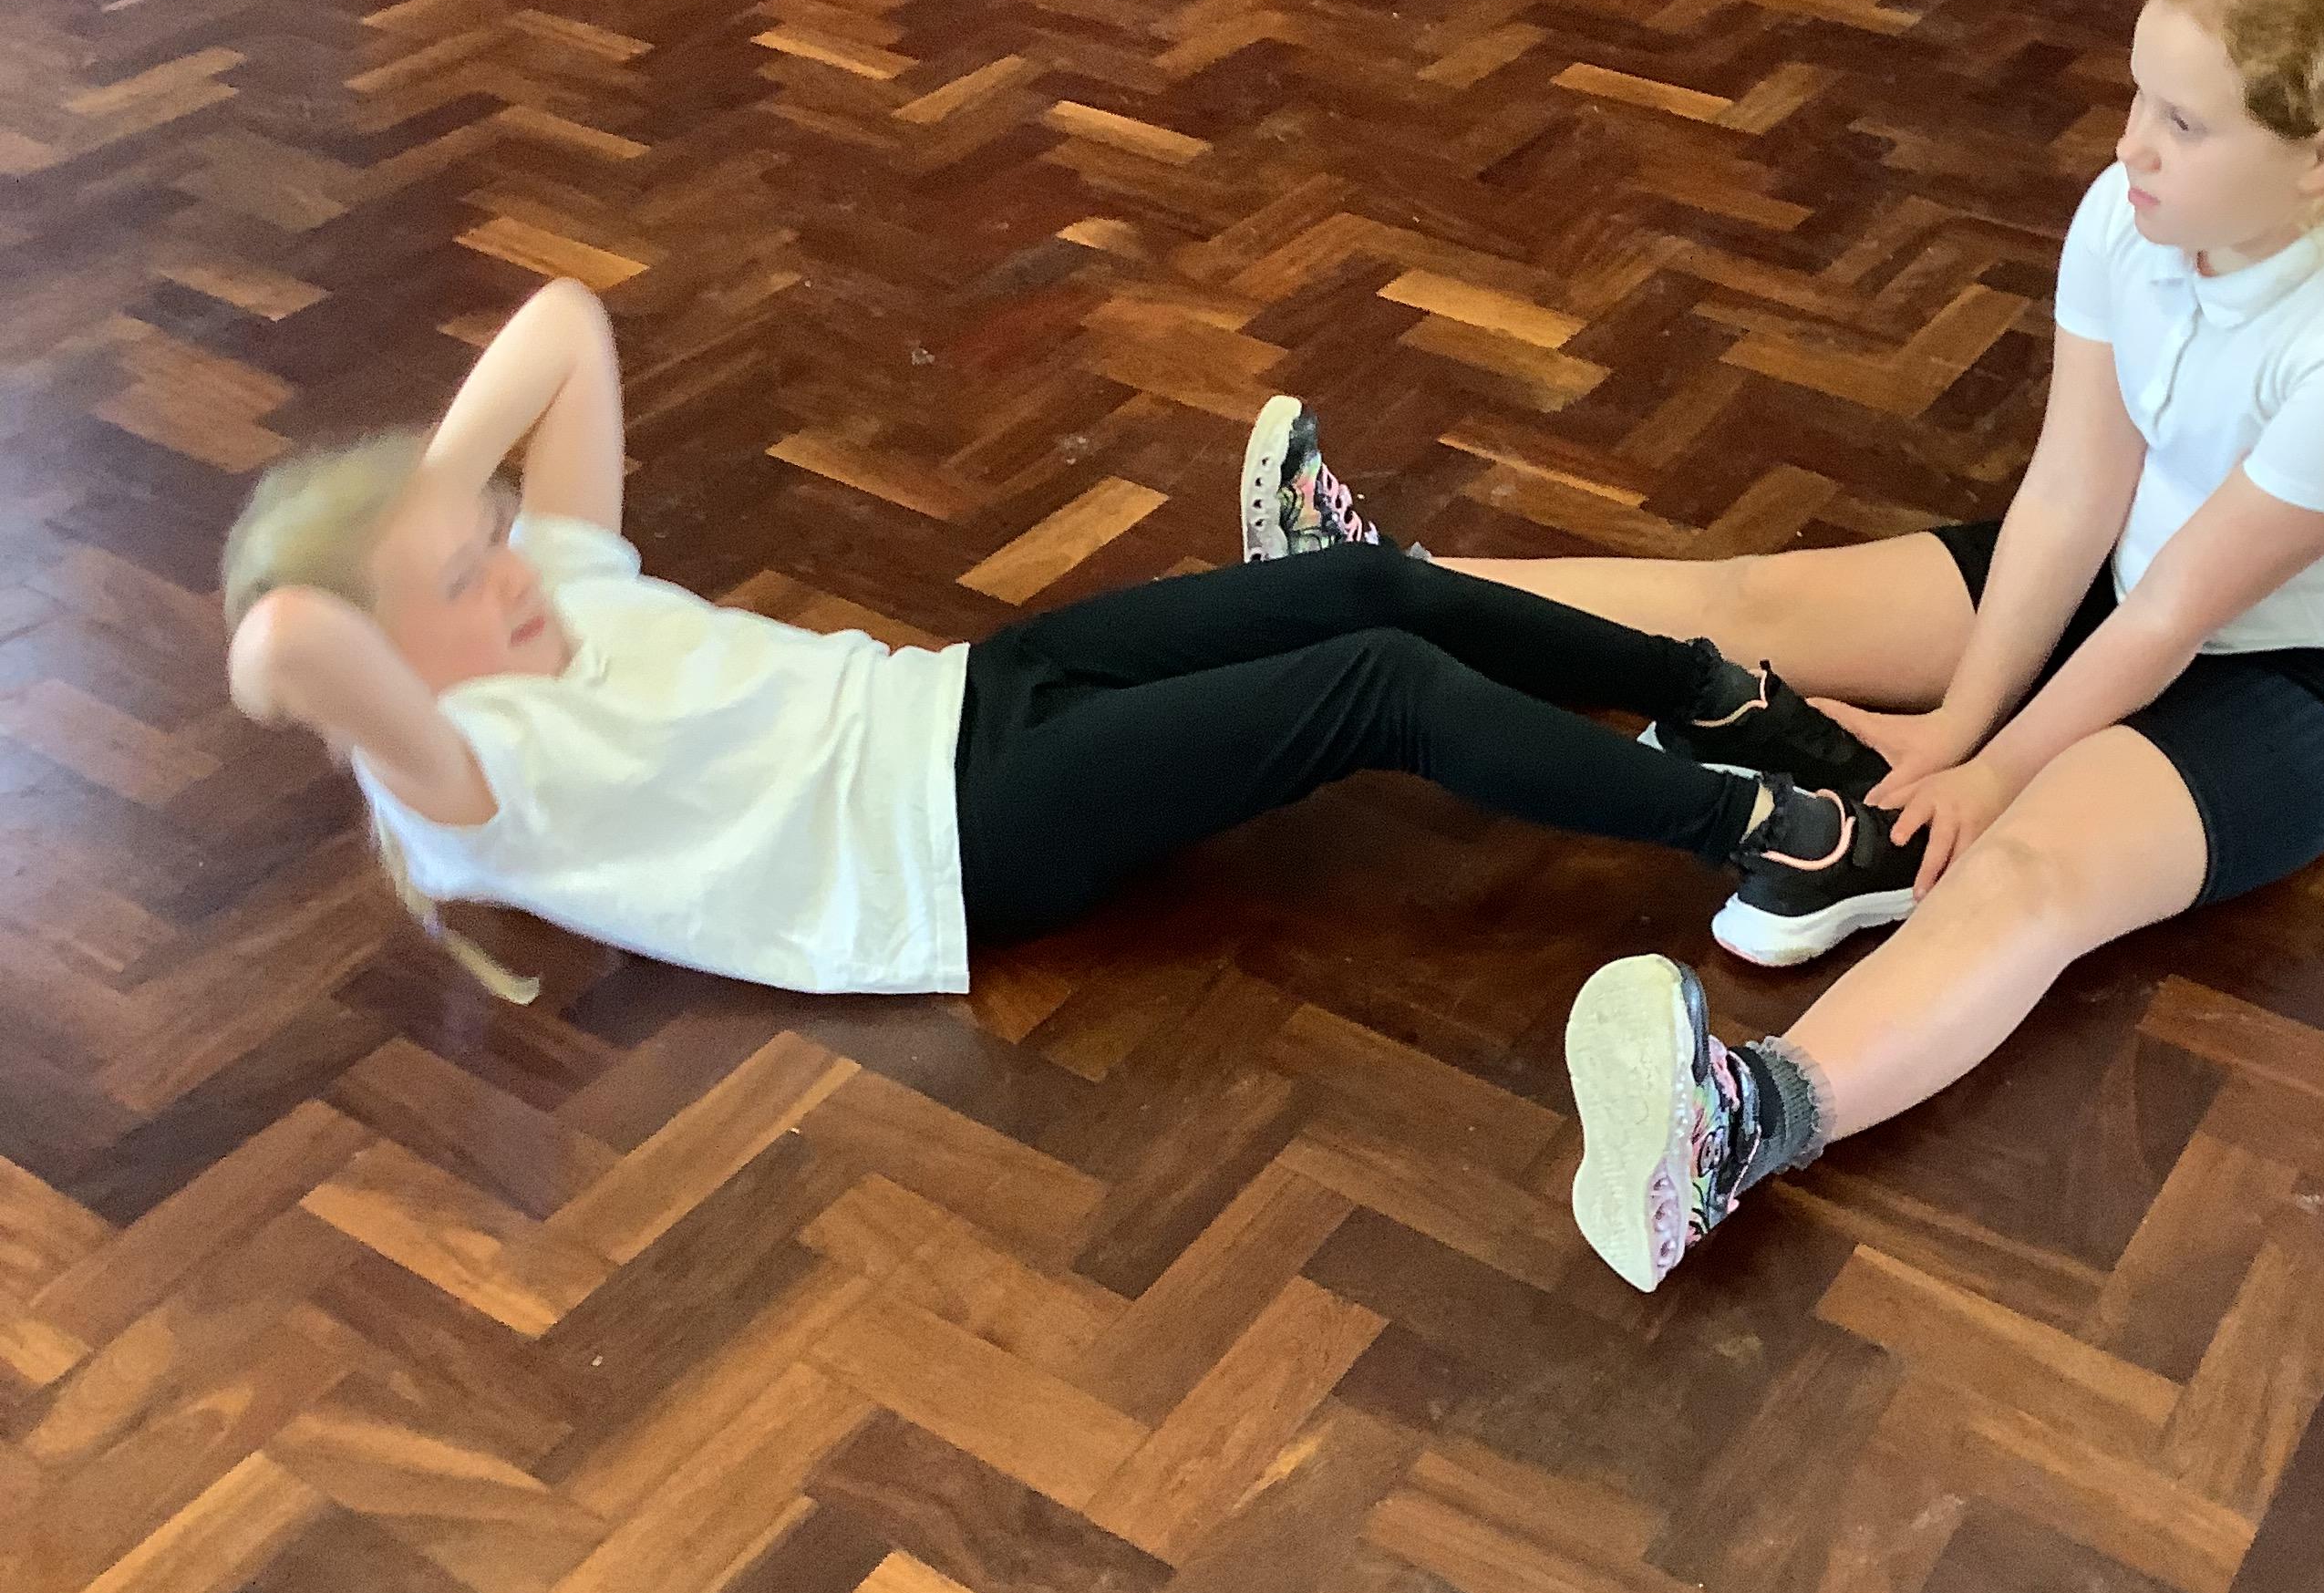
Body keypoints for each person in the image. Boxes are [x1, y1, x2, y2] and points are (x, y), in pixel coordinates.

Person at [1246, 0, 2324, 1292]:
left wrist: (1988, 768)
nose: (2129, 146)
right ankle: (1365, 590)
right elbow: (2073, 492)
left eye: (2183, 123)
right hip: (2128, 562)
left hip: (2307, 678)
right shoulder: (2134, 214)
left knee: (2031, 868)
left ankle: (1738, 1131)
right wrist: (1960, 718)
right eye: (2139, 95)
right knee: (1759, 599)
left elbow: (2174, 621)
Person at [218, 285, 1938, 1004]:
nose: (509, 570)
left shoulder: (550, 589)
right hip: (950, 846)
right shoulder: (471, 784)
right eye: (463, 583)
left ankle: (1716, 697)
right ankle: (1766, 841)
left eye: (492, 539)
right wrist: (361, 614)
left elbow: (567, 327)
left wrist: (430, 512)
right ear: (391, 676)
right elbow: (287, 638)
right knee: (1382, 693)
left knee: (1372, 592)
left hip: (961, 699)